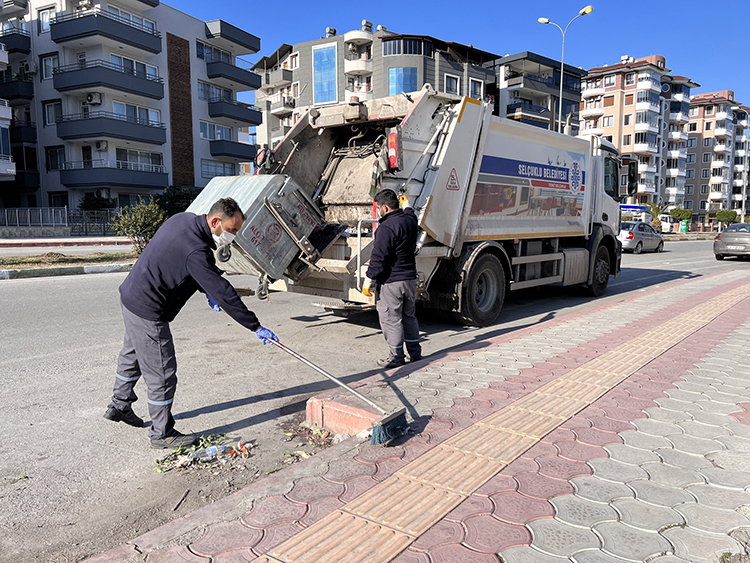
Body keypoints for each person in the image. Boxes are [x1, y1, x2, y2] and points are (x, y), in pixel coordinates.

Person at [103, 198, 279, 449]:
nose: (233, 236)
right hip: (149, 310)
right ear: (215, 221)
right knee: (162, 373)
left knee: (132, 355)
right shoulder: (197, 252)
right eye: (232, 230)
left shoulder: (182, 219)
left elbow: (181, 262)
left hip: (131, 296)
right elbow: (224, 292)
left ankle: (120, 404)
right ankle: (162, 434)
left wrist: (206, 286)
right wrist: (254, 326)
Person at [362, 189, 422, 368]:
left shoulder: (385, 228)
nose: (379, 210)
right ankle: (415, 353)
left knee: (391, 319)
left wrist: (369, 279)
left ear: (385, 208)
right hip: (410, 279)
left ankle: (396, 356)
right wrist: (407, 205)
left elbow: (378, 257)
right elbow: (411, 213)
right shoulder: (410, 221)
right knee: (409, 316)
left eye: (379, 208)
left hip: (392, 281)